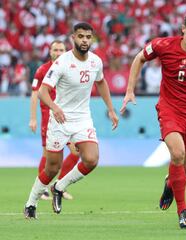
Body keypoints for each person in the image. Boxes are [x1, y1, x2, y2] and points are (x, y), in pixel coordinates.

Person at [120, 10, 186, 228]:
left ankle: (170, 184)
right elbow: (139, 58)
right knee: (177, 154)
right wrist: (130, 89)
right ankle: (183, 212)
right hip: (170, 109)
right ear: (183, 29)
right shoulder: (163, 45)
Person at [24, 22, 119, 219]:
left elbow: (101, 82)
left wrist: (110, 109)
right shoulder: (62, 63)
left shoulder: (96, 62)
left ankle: (59, 187)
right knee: (52, 167)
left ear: (91, 39)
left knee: (91, 159)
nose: (85, 40)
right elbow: (42, 92)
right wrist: (55, 107)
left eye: (88, 37)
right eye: (81, 36)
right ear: (73, 38)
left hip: (83, 118)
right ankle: (31, 203)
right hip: (60, 120)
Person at [29, 40, 79, 201]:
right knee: (49, 156)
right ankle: (41, 189)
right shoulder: (42, 70)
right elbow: (35, 94)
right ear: (50, 52)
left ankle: (59, 185)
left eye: (61, 50)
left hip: (68, 118)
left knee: (76, 152)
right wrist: (33, 119)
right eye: (55, 50)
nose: (58, 52)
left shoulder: (70, 67)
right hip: (49, 118)